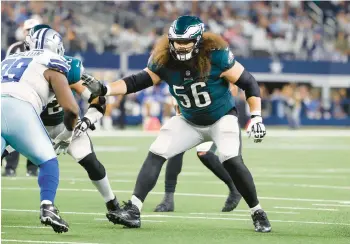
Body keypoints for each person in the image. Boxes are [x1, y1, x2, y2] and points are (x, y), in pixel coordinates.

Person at [82, 16, 271, 233]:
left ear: (198, 41)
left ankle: (257, 211)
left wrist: (256, 116)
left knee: (230, 159)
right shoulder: (164, 59)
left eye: (185, 41)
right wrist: (106, 89)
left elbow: (248, 82)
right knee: (157, 151)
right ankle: (134, 210)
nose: (180, 46)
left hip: (221, 117)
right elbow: (138, 81)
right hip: (189, 120)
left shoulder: (216, 56)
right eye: (176, 41)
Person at [1, 28, 75, 233]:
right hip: (19, 108)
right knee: (48, 161)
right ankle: (47, 207)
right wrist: (68, 133)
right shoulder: (52, 60)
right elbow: (71, 108)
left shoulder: (11, 58)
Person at [155, 86, 242, 213]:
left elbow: (233, 88)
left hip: (216, 119)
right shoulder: (178, 76)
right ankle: (168, 199)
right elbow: (178, 107)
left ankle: (234, 187)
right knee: (175, 150)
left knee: (204, 153)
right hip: (191, 118)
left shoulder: (215, 68)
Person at [2, 18, 42, 177]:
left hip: (37, 95)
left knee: (36, 131)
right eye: (28, 30)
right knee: (13, 132)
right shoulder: (15, 48)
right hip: (17, 93)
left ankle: (32, 167)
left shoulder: (46, 50)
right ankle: (10, 167)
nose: (30, 34)